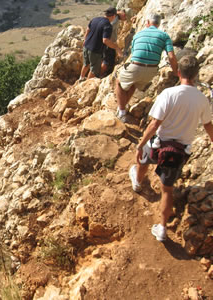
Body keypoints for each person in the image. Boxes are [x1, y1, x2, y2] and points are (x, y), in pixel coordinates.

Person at [129, 55, 213, 242]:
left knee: (143, 159)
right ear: (196, 74)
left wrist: (140, 145)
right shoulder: (202, 100)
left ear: (178, 72)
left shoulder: (169, 94)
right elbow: (208, 127)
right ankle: (162, 228)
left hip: (159, 144)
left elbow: (154, 124)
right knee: (167, 189)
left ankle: (138, 181)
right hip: (178, 152)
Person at [115, 13, 178, 123]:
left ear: (148, 22)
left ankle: (121, 111)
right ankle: (124, 106)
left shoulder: (138, 35)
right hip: (151, 71)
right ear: (158, 24)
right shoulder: (164, 36)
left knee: (119, 83)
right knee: (133, 83)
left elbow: (134, 54)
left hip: (136, 66)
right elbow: (171, 56)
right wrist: (176, 72)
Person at [79, 7, 123, 81]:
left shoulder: (95, 19)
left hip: (86, 46)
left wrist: (85, 40)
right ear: (113, 16)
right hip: (95, 50)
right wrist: (116, 47)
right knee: (94, 69)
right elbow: (105, 40)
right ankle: (87, 83)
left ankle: (81, 78)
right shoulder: (108, 26)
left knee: (86, 64)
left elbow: (87, 30)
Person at [100, 8, 133, 77]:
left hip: (109, 43)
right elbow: (107, 29)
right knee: (107, 61)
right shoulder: (115, 20)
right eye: (126, 18)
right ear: (123, 14)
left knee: (108, 60)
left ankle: (102, 73)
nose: (125, 20)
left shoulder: (116, 16)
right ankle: (100, 74)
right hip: (108, 43)